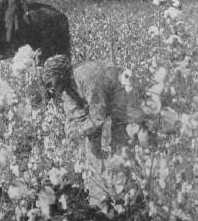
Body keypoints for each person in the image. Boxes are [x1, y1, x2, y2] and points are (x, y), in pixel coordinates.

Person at [42, 55, 136, 206]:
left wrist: (79, 132)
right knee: (92, 152)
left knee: (117, 148)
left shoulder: (87, 75)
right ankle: (98, 201)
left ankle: (123, 198)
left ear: (59, 75)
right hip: (102, 108)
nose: (50, 89)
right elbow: (74, 118)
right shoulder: (67, 88)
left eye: (50, 83)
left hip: (122, 99)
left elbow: (98, 118)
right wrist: (72, 135)